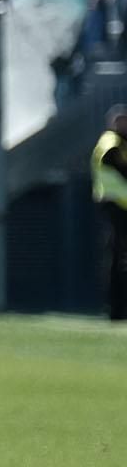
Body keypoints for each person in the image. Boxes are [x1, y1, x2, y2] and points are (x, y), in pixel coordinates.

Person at [94, 105, 127, 320]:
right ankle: (115, 308)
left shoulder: (118, 143)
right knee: (118, 258)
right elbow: (121, 170)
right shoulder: (111, 144)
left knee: (117, 257)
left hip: (117, 205)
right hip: (115, 205)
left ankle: (116, 307)